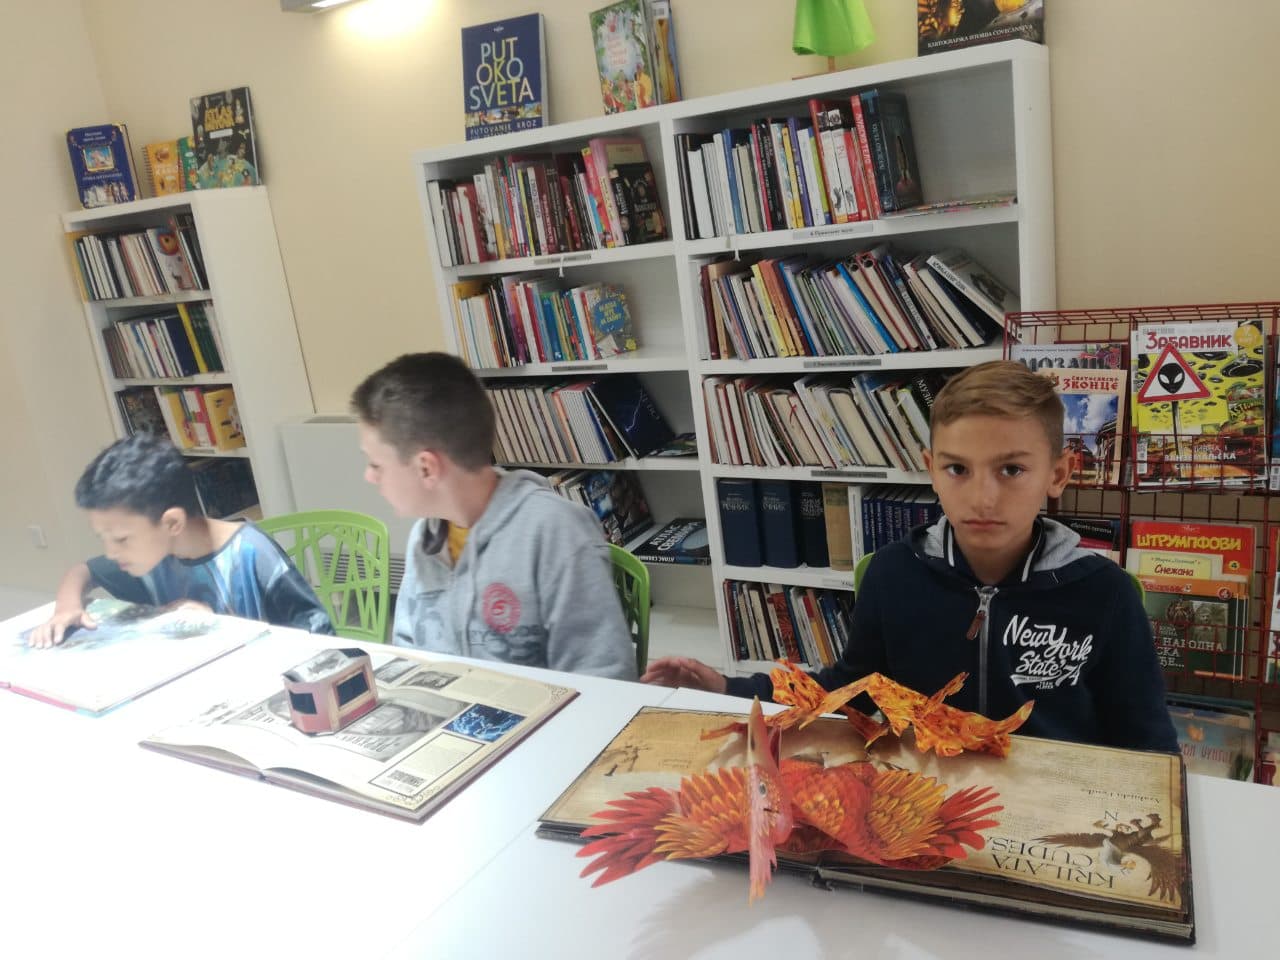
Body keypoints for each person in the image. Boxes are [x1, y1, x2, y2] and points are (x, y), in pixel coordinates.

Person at [644, 360, 1178, 753]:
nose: (983, 497)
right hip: (925, 801)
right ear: (930, 469)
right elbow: (849, 689)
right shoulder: (893, 574)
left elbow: (1147, 740)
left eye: (1011, 470)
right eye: (957, 469)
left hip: (1054, 811)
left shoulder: (1104, 594)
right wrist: (731, 688)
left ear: (1057, 474)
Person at [350, 352, 636, 680]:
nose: (369, 477)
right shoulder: (425, 539)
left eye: (376, 464)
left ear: (426, 467)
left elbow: (603, 676)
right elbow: (409, 655)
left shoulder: (554, 531)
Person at [28, 433, 334, 647]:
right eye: (103, 538)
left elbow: (320, 636)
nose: (111, 551)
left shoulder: (252, 554)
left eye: (121, 539)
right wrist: (67, 608)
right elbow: (82, 571)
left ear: (172, 523)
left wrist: (219, 626)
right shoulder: (153, 554)